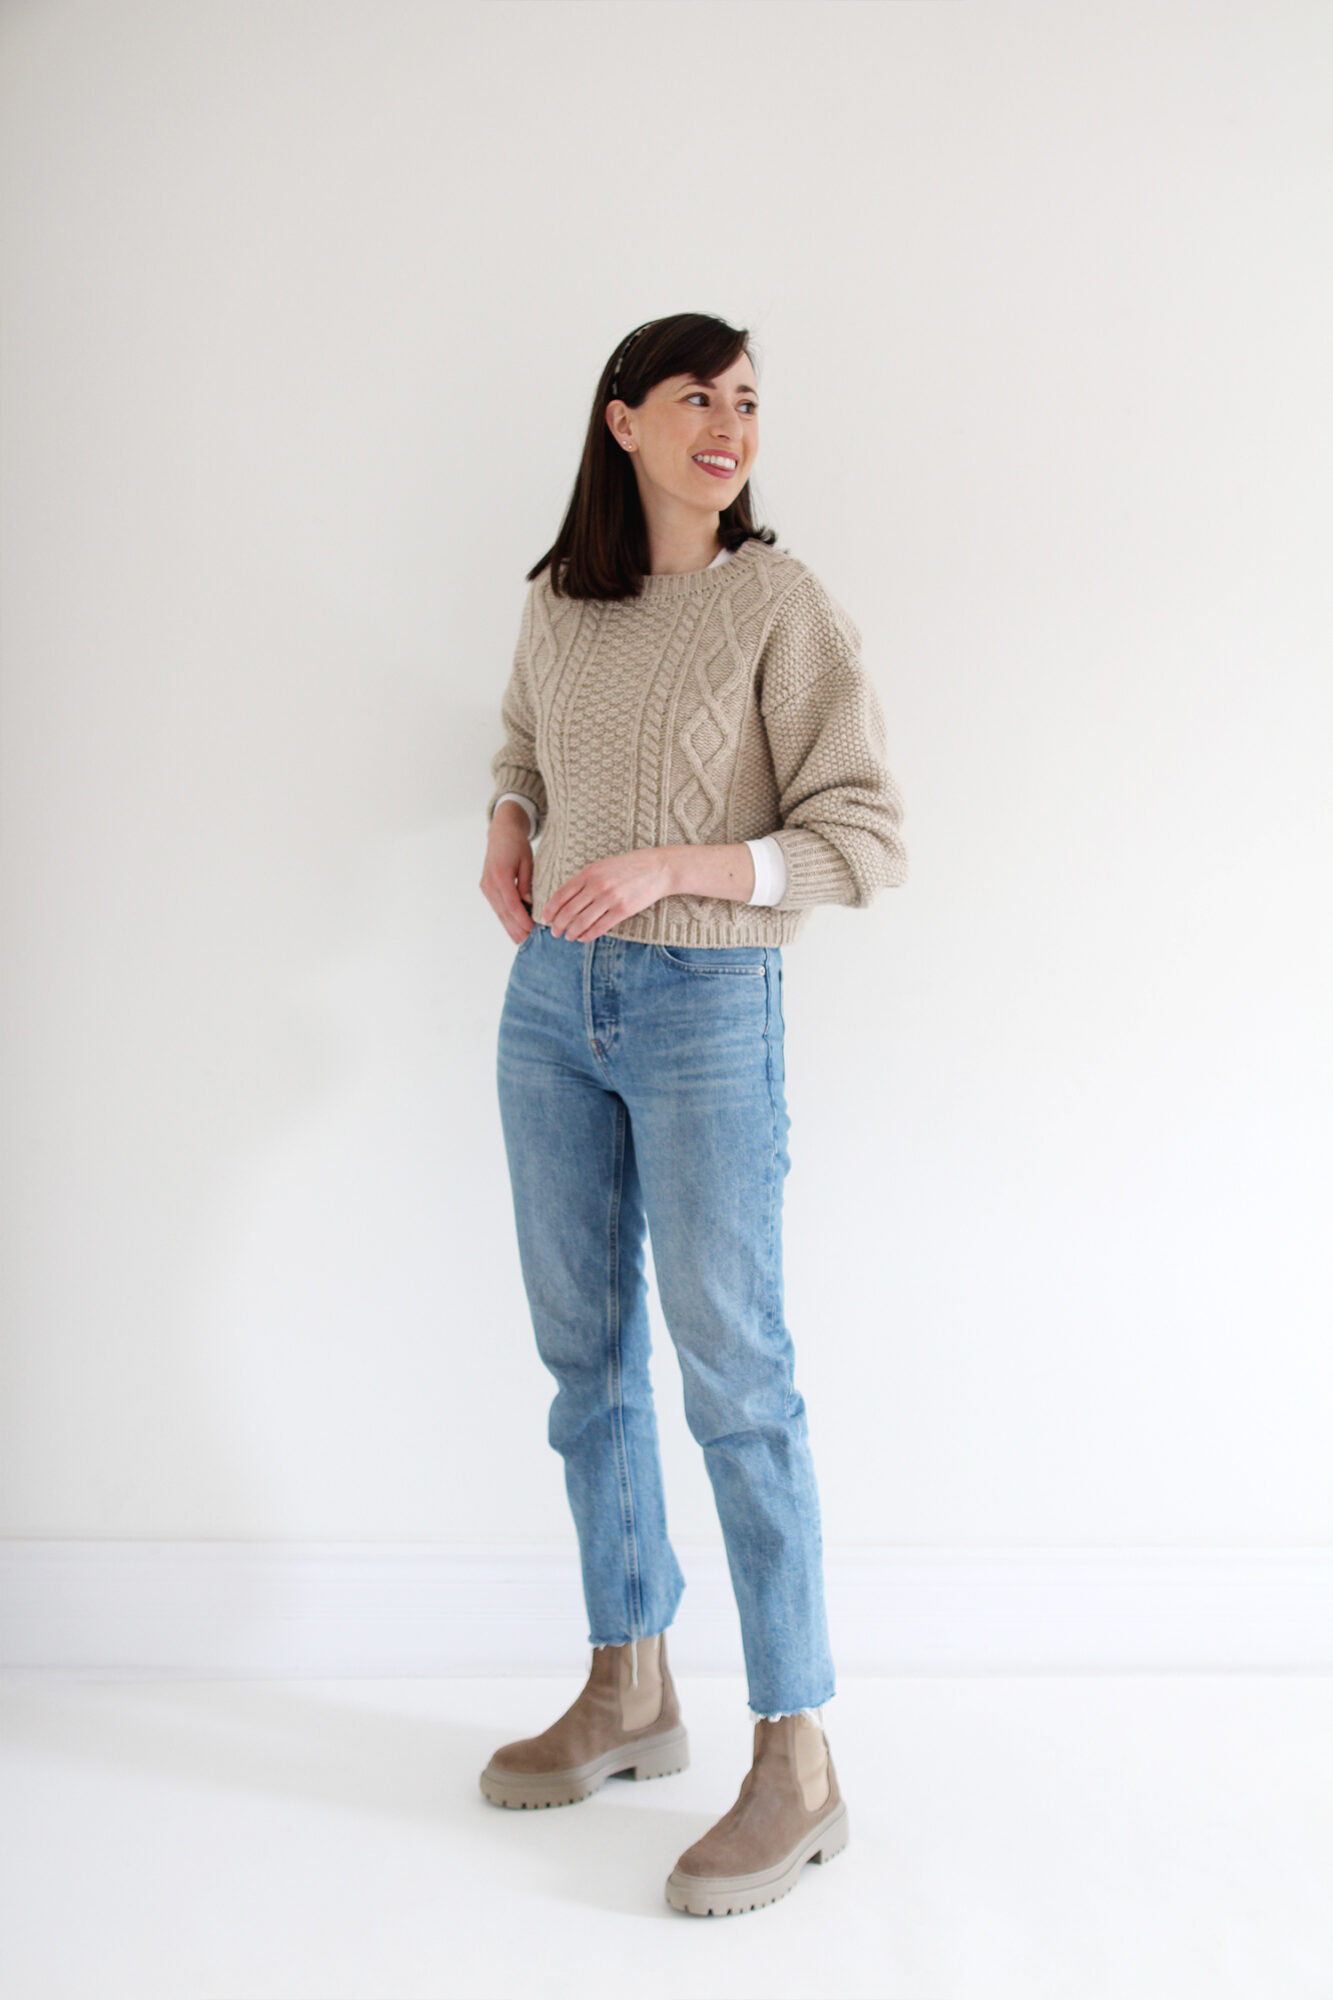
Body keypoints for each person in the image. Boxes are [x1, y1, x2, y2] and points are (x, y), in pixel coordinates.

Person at [476, 312, 908, 1917]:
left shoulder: (779, 606)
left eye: (744, 403)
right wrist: (509, 818)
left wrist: (677, 863)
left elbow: (860, 834)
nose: (727, 427)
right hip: (550, 1010)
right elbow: (524, 731)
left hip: (708, 1012)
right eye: (694, 400)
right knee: (582, 1365)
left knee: (736, 1374)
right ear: (621, 424)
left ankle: (795, 1761)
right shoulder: (558, 602)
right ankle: (628, 1682)